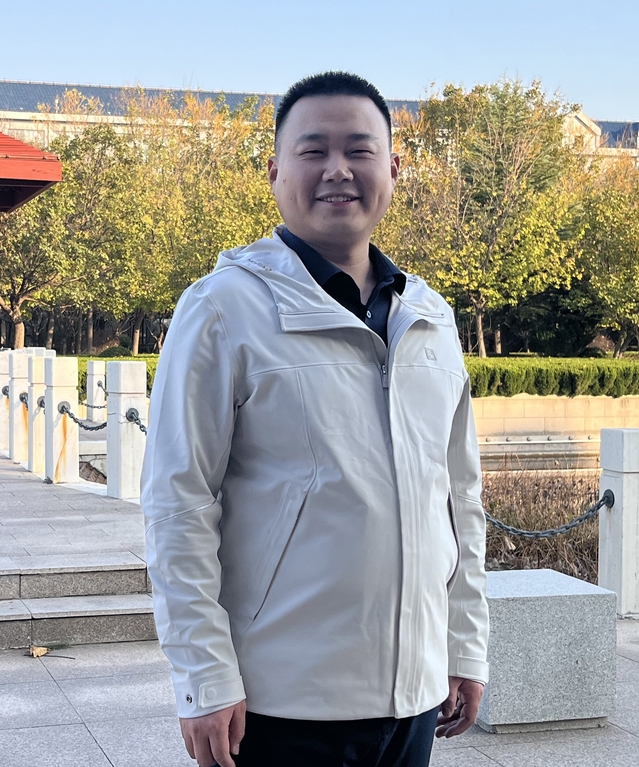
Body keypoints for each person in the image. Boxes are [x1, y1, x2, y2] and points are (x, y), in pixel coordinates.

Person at [141, 71, 489, 767]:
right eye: (313, 151)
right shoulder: (222, 309)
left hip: (414, 698)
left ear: (393, 168)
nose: (338, 170)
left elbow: (459, 500)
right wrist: (204, 675)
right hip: (279, 702)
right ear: (275, 171)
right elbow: (178, 502)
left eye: (359, 150)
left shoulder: (430, 317)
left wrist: (463, 646)